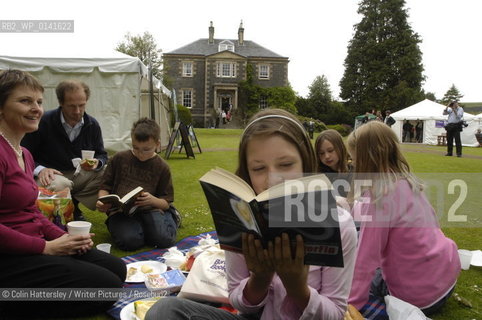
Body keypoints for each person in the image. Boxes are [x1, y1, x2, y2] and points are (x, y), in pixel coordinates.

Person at [146, 109, 358, 320]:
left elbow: (336, 313)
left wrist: (298, 288)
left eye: (286, 165)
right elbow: (241, 304)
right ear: (247, 172)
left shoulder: (339, 225)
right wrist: (260, 278)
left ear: (306, 163)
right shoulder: (244, 218)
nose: (273, 179)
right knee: (165, 311)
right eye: (258, 168)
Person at [0, 69, 126, 318]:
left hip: (34, 241)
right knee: (106, 288)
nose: (36, 108)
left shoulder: (23, 154)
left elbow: (31, 213)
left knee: (116, 268)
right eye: (25, 101)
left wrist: (66, 238)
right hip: (10, 255)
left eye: (38, 101)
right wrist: (46, 248)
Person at [347, 121, 460, 316]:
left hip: (418, 298)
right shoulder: (406, 182)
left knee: (354, 267)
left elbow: (365, 261)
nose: (353, 164)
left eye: (354, 159)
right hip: (446, 280)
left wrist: (350, 305)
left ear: (365, 158)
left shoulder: (378, 198)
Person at [22, 80, 108, 221]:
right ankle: (59, 214)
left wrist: (97, 162)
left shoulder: (92, 124)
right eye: (71, 106)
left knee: (107, 173)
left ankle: (75, 206)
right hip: (51, 176)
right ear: (61, 103)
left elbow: (102, 154)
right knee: (61, 184)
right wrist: (40, 169)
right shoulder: (43, 121)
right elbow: (24, 154)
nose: (77, 111)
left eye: (82, 105)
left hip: (78, 174)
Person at [96, 118, 178, 251]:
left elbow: (165, 203)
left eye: (146, 149)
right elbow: (104, 187)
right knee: (130, 242)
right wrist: (102, 201)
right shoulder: (119, 158)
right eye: (135, 148)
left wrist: (152, 200)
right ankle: (139, 228)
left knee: (163, 239)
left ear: (157, 144)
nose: (140, 154)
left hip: (151, 210)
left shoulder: (162, 167)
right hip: (120, 212)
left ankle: (172, 217)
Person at [314, 129, 352, 198]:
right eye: (321, 153)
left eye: (330, 150)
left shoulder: (353, 170)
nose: (327, 156)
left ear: (341, 148)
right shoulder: (319, 175)